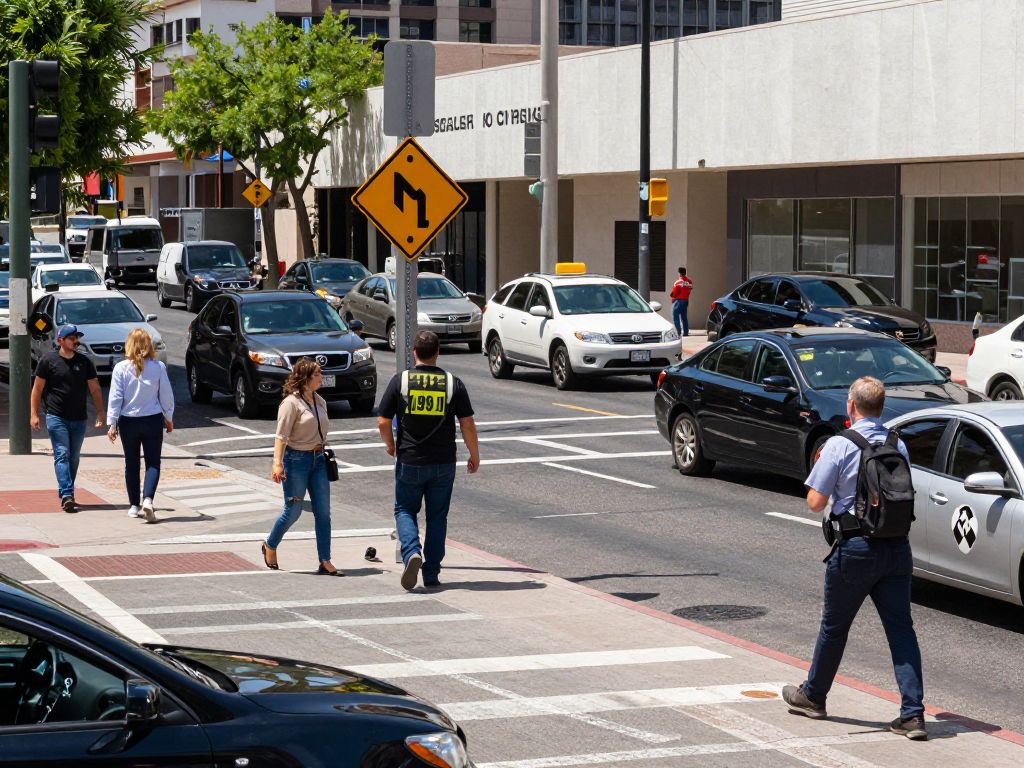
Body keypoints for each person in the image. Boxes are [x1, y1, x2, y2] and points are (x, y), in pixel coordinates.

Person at [782, 376, 926, 741]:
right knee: (901, 630)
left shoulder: (839, 444)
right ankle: (913, 714)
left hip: (855, 549)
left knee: (834, 628)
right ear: (881, 408)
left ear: (851, 406)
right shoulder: (898, 444)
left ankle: (813, 696)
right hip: (896, 548)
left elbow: (815, 502)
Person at [377, 331, 480, 590]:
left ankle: (412, 552)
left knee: (404, 509)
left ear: (414, 352)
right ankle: (431, 574)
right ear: (437, 352)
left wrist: (390, 445)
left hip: (410, 460)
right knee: (437, 518)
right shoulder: (451, 383)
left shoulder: (401, 381)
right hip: (443, 462)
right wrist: (474, 455)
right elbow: (467, 423)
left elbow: (383, 420)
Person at [262, 358, 341, 576]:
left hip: (318, 460)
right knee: (293, 511)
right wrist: (277, 463)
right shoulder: (290, 403)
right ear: (305, 379)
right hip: (296, 461)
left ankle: (325, 559)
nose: (321, 377)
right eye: (317, 374)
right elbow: (281, 436)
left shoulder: (319, 400)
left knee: (323, 512)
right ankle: (270, 544)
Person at [30, 324, 105, 513]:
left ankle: (65, 488)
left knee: (74, 458)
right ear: (60, 340)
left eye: (77, 337)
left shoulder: (85, 362)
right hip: (56, 417)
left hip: (79, 418)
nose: (76, 341)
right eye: (72, 338)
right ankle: (67, 494)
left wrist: (100, 411)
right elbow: (37, 389)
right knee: (62, 454)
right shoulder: (48, 361)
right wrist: (33, 414)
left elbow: (95, 388)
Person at [106, 329, 174, 523]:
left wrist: (112, 424)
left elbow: (115, 398)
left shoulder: (120, 368)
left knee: (132, 463)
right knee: (153, 462)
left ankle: (134, 505)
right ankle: (148, 499)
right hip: (152, 419)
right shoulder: (158, 367)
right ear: (148, 346)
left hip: (129, 421)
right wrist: (168, 417)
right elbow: (166, 396)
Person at [670, 267, 693, 337]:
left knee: (675, 316)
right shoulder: (689, 282)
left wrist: (673, 297)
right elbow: (690, 290)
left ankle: (678, 331)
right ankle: (686, 332)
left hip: (678, 301)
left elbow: (674, 293)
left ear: (679, 273)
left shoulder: (678, 282)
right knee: (684, 316)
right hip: (686, 300)